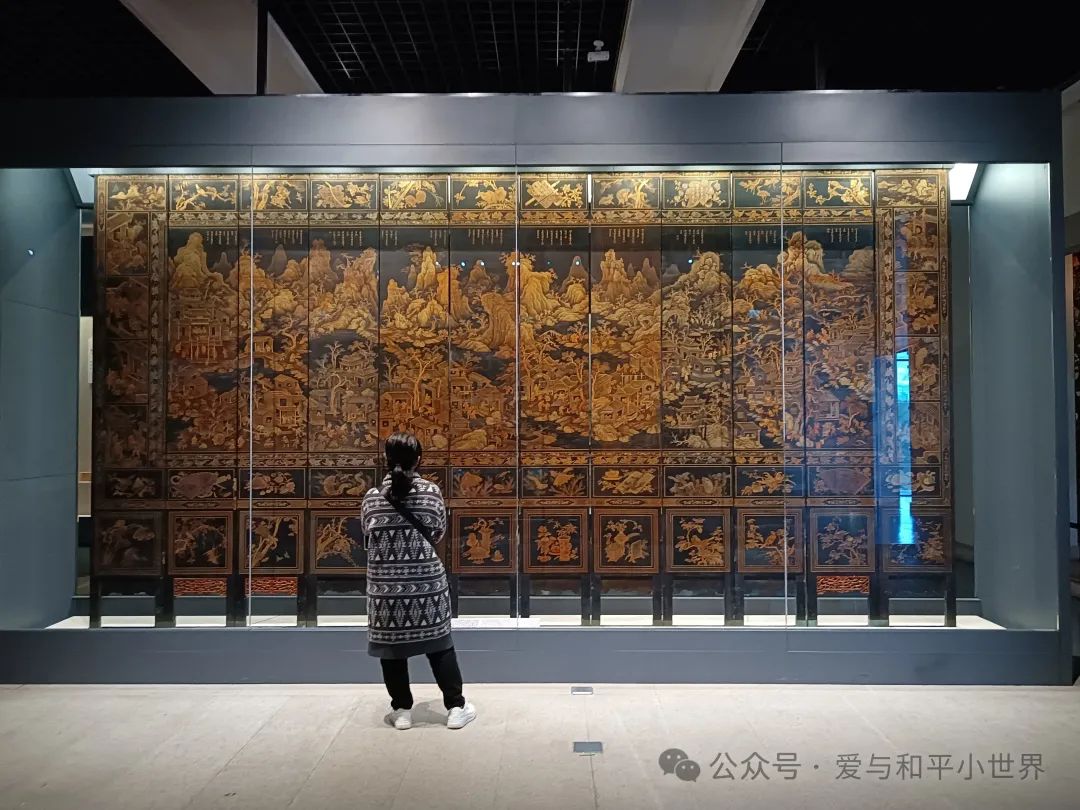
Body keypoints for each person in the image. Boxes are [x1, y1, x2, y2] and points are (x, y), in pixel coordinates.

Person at [362, 432, 477, 730]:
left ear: (386, 460)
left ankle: (402, 710)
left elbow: (367, 536)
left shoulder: (372, 496)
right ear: (419, 460)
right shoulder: (431, 493)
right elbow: (438, 533)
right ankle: (455, 707)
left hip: (385, 587)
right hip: (426, 584)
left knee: (391, 651)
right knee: (439, 646)